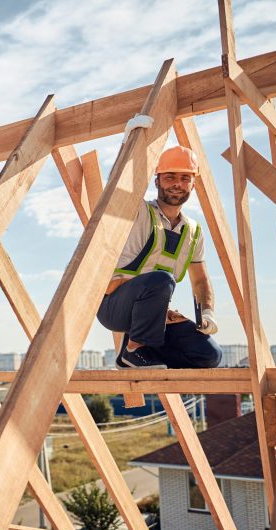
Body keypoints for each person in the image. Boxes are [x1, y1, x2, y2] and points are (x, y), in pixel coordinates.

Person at [97, 145, 222, 369]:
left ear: (193, 184)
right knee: (162, 279)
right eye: (170, 177)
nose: (177, 184)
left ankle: (137, 353)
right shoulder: (138, 212)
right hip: (115, 306)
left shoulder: (193, 231)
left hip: (154, 317)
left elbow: (201, 280)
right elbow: (117, 187)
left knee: (210, 355)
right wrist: (132, 142)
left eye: (185, 178)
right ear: (156, 181)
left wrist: (207, 312)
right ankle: (135, 349)